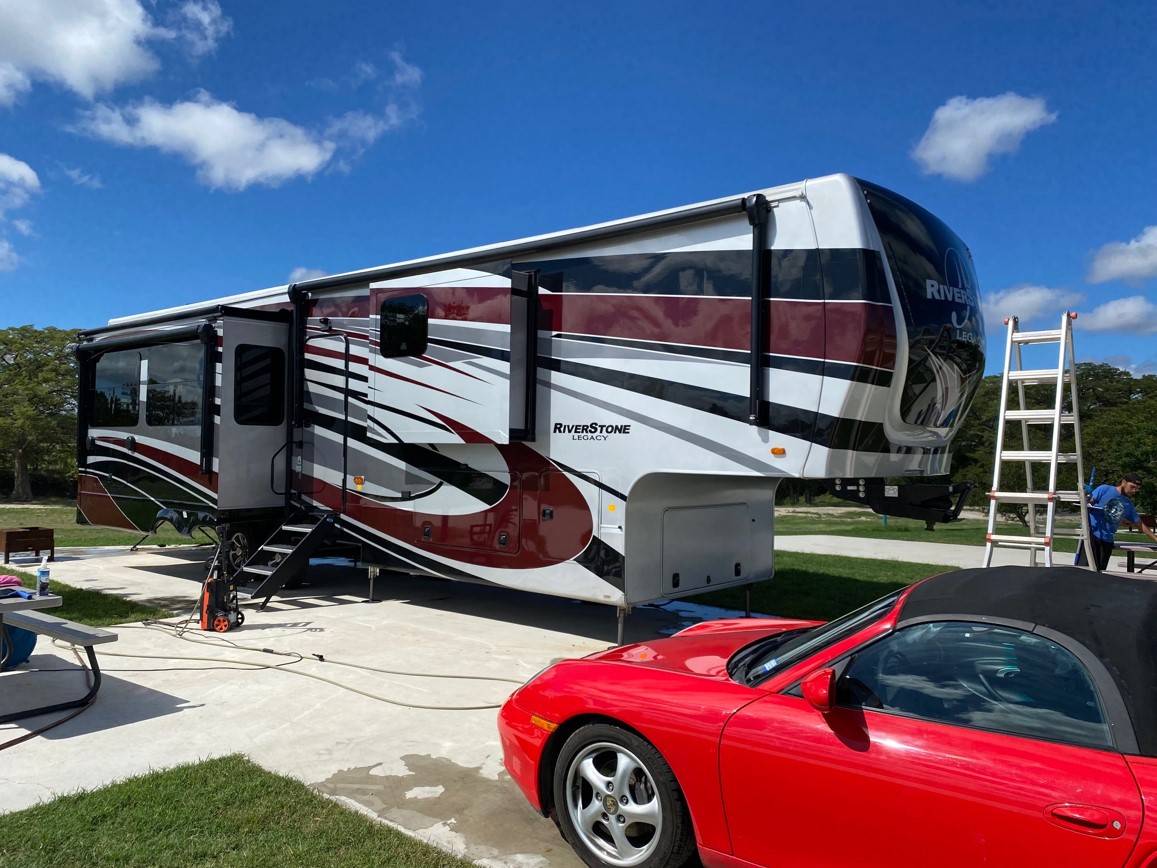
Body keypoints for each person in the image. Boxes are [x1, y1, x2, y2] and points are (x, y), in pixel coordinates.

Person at [1077, 472, 1157, 571]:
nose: (1134, 491)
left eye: (1136, 489)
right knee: (1083, 571)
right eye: (1132, 487)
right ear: (1123, 482)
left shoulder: (1128, 504)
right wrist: (1086, 496)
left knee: (1099, 573)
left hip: (1107, 540)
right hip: (1091, 535)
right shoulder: (1104, 489)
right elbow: (1087, 505)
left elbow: (1140, 524)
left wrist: (1155, 538)